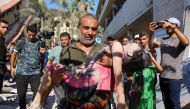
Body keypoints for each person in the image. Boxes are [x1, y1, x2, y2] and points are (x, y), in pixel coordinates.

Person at [31, 14, 109, 109]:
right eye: (86, 28)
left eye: (94, 29)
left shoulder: (105, 49)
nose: (90, 32)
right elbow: (60, 78)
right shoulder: (67, 51)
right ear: (78, 29)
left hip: (102, 106)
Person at [149, 17, 189, 109]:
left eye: (169, 24)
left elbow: (186, 42)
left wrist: (173, 27)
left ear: (176, 26)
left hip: (174, 78)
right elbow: (151, 45)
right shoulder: (163, 39)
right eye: (166, 25)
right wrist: (151, 32)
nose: (167, 26)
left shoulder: (180, 40)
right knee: (166, 103)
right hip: (163, 77)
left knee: (175, 104)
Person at [10, 24, 42, 109]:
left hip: (35, 72)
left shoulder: (39, 42)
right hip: (21, 72)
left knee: (37, 92)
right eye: (29, 34)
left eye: (33, 35)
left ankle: (34, 106)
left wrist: (42, 53)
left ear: (36, 34)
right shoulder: (22, 41)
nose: (31, 37)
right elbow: (14, 54)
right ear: (27, 33)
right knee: (21, 95)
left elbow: (42, 56)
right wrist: (12, 68)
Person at [48, 32, 71, 107]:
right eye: (62, 40)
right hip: (58, 79)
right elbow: (49, 62)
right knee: (61, 100)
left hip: (71, 80)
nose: (64, 41)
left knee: (70, 100)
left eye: (65, 40)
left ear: (69, 40)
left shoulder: (74, 50)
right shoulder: (55, 50)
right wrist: (49, 74)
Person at [0, 19, 8, 93]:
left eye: (6, 28)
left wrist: (4, 65)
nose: (5, 29)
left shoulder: (2, 39)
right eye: (3, 27)